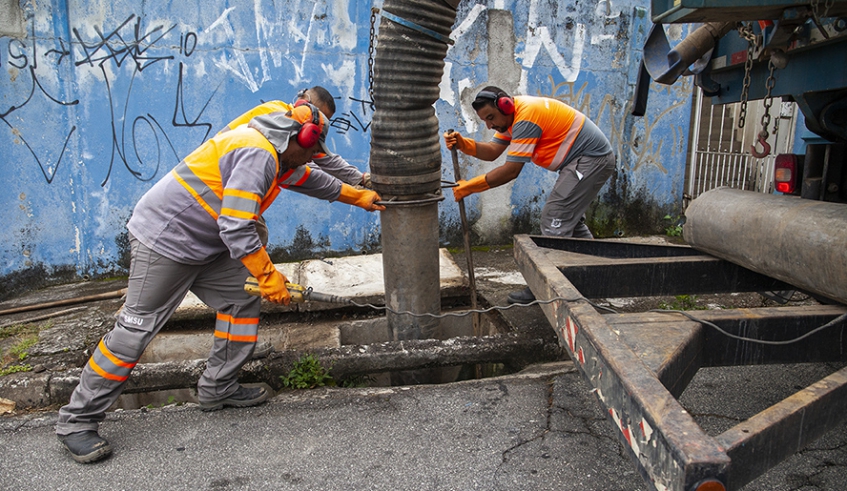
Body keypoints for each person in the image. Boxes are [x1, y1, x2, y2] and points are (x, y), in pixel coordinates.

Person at [55, 104, 385, 464]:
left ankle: (218, 387)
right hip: (165, 241)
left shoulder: (278, 156)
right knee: (135, 330)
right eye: (312, 151)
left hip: (208, 245)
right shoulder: (257, 153)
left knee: (240, 300)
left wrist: (357, 195)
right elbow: (237, 226)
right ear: (298, 139)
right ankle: (77, 422)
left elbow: (309, 179)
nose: (312, 159)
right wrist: (267, 275)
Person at [444, 86, 615, 304]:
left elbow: (510, 171)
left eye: (491, 118)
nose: (489, 125)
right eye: (485, 120)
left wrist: (469, 187)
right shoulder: (511, 117)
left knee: (555, 218)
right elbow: (492, 151)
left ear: (505, 105)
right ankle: (595, 281)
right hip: (584, 161)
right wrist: (463, 144)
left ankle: (544, 287)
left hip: (590, 160)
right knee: (570, 224)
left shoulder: (525, 119)